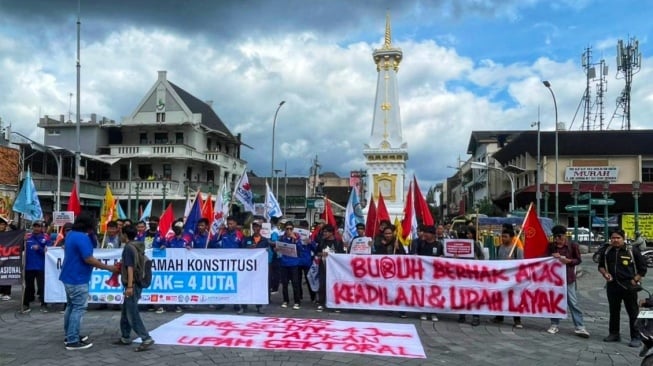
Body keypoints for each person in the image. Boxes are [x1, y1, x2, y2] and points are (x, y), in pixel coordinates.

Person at [60, 213, 118, 350]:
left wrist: (91, 235)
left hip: (68, 276)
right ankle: (73, 340)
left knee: (71, 306)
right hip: (78, 278)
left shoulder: (71, 235)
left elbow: (91, 246)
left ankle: (69, 335)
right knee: (78, 308)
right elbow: (89, 259)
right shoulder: (81, 238)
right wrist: (108, 267)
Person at [598, 229, 647, 347]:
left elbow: (643, 268)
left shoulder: (632, 250)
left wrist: (635, 280)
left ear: (623, 238)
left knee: (633, 312)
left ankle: (636, 337)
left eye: (618, 238)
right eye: (613, 238)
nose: (615, 240)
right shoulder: (606, 251)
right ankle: (614, 334)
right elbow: (600, 266)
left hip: (629, 286)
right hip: (612, 286)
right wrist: (605, 274)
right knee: (614, 311)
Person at [113, 225, 155, 352]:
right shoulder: (137, 246)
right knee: (126, 310)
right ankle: (125, 336)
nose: (120, 236)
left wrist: (130, 286)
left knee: (132, 312)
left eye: (121, 234)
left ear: (125, 235)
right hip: (136, 283)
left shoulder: (128, 248)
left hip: (133, 284)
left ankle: (145, 338)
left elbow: (130, 268)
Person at [546, 225, 590, 338]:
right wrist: (551, 256)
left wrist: (568, 261)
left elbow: (578, 260)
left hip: (569, 278)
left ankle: (580, 326)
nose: (557, 239)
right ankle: (554, 324)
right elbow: (545, 259)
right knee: (555, 302)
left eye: (559, 236)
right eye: (555, 237)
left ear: (565, 235)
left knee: (573, 302)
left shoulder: (573, 246)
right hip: (555, 279)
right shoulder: (551, 246)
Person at [491, 228, 524, 329]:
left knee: (515, 299)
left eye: (505, 237)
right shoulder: (499, 248)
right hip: (502, 277)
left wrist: (512, 263)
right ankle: (499, 316)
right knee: (501, 297)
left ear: (512, 237)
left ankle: (517, 320)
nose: (503, 239)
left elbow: (522, 264)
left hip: (513, 279)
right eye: (502, 236)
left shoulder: (517, 250)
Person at [412, 225, 443, 321]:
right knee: (423, 292)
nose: (424, 234)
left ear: (433, 234)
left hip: (435, 274)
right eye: (424, 232)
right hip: (423, 273)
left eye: (427, 232)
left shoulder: (439, 245)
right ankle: (423, 311)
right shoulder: (420, 243)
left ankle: (433, 312)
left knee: (434, 293)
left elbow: (442, 256)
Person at [457, 227, 485, 326]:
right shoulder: (460, 244)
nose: (467, 235)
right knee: (463, 294)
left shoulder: (476, 244)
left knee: (474, 295)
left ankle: (476, 316)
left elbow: (482, 257)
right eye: (466, 234)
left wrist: (476, 260)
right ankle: (462, 314)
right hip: (463, 274)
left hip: (473, 274)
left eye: (469, 234)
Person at [313, 224, 345, 312]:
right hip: (323, 266)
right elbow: (316, 252)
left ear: (331, 233)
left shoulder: (338, 242)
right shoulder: (322, 242)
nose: (324, 233)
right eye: (323, 232)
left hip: (334, 268)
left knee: (334, 286)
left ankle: (335, 304)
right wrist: (321, 254)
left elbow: (342, 254)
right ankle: (321, 303)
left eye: (326, 232)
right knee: (322, 285)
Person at [23, 221, 52, 313]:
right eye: (35, 226)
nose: (36, 228)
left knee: (42, 286)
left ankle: (44, 304)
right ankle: (26, 304)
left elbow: (49, 252)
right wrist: (22, 241)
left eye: (38, 226)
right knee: (28, 286)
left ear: (42, 228)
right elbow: (20, 248)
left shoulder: (45, 238)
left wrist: (39, 248)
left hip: (41, 267)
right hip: (29, 267)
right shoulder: (27, 237)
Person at [239, 221, 268, 314]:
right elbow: (241, 251)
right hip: (248, 267)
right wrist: (248, 249)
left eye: (257, 227)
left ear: (260, 228)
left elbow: (268, 253)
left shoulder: (265, 240)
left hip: (259, 268)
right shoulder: (246, 239)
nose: (256, 229)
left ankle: (259, 306)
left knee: (258, 287)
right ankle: (244, 306)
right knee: (245, 286)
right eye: (254, 227)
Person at [276, 221, 303, 310]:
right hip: (284, 263)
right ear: (285, 229)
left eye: (290, 229)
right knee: (284, 283)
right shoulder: (281, 238)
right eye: (287, 229)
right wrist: (276, 249)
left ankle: (297, 301)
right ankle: (285, 300)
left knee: (295, 283)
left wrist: (295, 239)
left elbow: (300, 249)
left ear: (293, 229)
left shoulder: (297, 237)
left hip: (294, 264)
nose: (289, 230)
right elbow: (278, 250)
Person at [0, 216, 13, 300]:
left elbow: (18, 232)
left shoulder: (9, 234)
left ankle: (7, 293)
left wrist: (11, 225)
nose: (1, 226)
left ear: (5, 226)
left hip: (7, 258)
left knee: (7, 275)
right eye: (0, 225)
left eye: (3, 225)